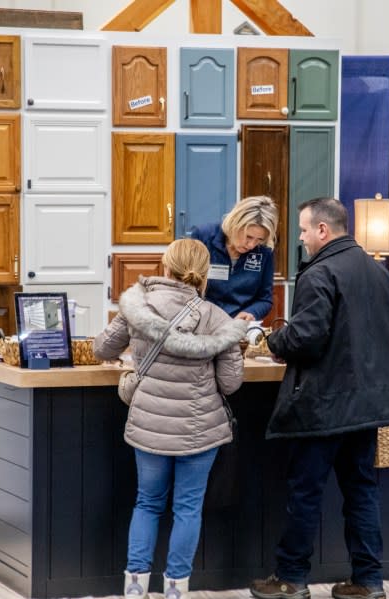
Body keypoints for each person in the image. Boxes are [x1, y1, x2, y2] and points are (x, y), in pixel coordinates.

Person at [249, 198, 389, 599]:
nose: (300, 238)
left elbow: (307, 337)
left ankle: (291, 579)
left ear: (322, 230)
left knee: (305, 493)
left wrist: (275, 339)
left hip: (324, 404)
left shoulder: (319, 274)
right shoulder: (378, 271)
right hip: (368, 406)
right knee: (362, 491)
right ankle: (369, 581)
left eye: (302, 230)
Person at [92, 238, 247, 599]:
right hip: (199, 430)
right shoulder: (217, 318)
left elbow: (102, 348)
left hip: (150, 426)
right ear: (204, 275)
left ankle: (135, 585)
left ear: (165, 266)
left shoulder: (137, 306)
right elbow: (230, 383)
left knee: (147, 502)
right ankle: (176, 587)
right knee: (187, 508)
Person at [189, 195, 279, 322]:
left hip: (238, 326)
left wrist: (250, 312)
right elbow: (185, 286)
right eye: (248, 237)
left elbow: (264, 299)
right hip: (202, 320)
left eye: (259, 239)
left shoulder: (264, 251)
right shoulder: (203, 237)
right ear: (235, 223)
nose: (252, 245)